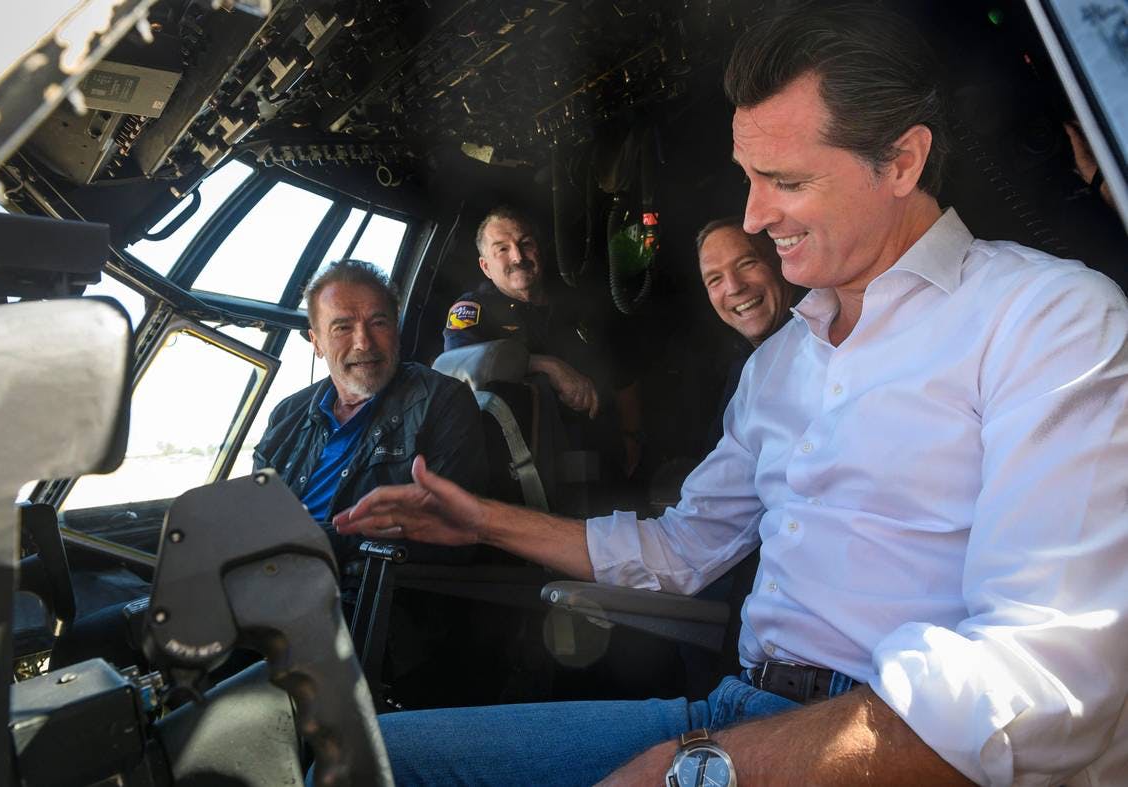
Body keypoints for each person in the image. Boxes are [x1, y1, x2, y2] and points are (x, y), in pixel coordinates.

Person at [334, 4, 1128, 785]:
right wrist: (482, 519)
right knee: (366, 757)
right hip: (733, 709)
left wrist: (703, 770)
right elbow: (681, 550)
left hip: (891, 742)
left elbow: (1045, 673)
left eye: (786, 181)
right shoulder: (776, 365)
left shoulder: (1048, 317)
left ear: (901, 163)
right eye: (749, 177)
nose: (754, 214)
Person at [254, 258, 487, 567]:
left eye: (378, 323)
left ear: (396, 329)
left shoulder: (441, 402)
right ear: (317, 342)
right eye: (342, 327)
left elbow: (454, 533)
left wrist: (314, 542)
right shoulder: (287, 414)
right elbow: (256, 514)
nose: (363, 342)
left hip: (366, 589)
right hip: (273, 575)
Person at [443, 205, 643, 475]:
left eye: (525, 243)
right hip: (530, 469)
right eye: (502, 249)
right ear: (486, 266)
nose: (518, 256)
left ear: (539, 250)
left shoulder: (576, 302)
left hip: (605, 451)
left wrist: (631, 436)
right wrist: (547, 365)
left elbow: (622, 373)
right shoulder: (473, 310)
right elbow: (458, 367)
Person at [696, 218, 801, 448]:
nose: (734, 287)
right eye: (715, 279)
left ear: (780, 260)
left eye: (746, 263)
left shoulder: (825, 342)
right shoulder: (741, 365)